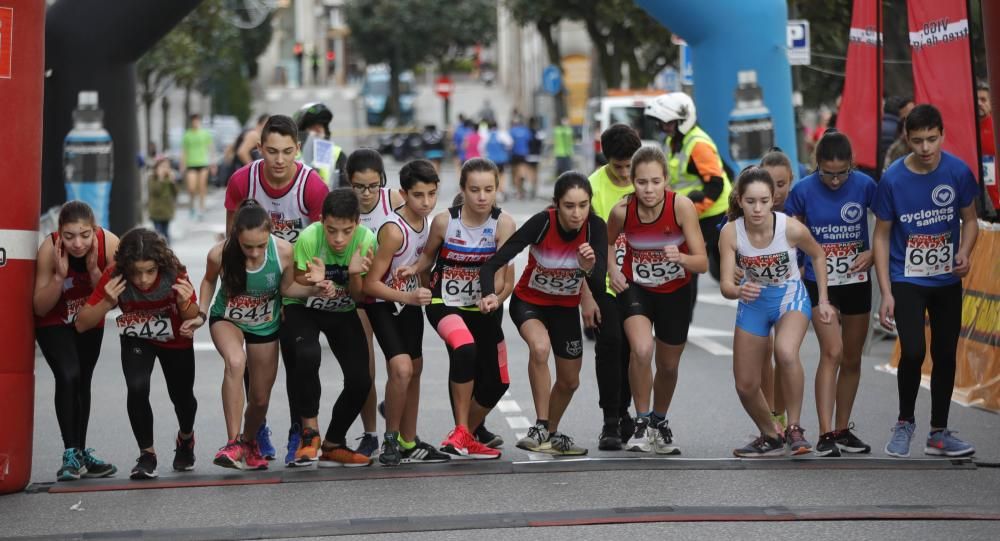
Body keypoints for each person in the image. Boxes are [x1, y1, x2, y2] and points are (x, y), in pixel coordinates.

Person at [874, 104, 980, 458]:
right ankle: (905, 422)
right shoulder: (892, 178)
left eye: (932, 139)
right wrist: (886, 291)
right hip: (907, 278)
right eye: (917, 140)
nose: (925, 148)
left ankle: (939, 432)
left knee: (945, 354)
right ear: (906, 138)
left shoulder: (958, 171)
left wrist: (964, 252)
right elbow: (882, 235)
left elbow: (971, 220)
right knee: (914, 350)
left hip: (946, 279)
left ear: (942, 135)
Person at [225, 114, 330, 465]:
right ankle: (258, 429)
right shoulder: (242, 181)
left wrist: (304, 288)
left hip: (294, 282)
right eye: (271, 151)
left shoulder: (312, 186)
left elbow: (319, 247)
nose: (280, 160)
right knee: (255, 365)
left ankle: (297, 429)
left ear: (298, 150)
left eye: (287, 152)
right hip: (254, 283)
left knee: (298, 358)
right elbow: (231, 241)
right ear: (259, 149)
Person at [479, 172, 609, 456]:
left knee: (570, 381)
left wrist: (588, 267)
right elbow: (493, 263)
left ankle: (550, 432)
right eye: (569, 206)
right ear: (556, 205)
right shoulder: (543, 222)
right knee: (540, 348)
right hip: (530, 303)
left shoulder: (595, 228)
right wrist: (489, 293)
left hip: (564, 309)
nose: (577, 213)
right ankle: (539, 425)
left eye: (583, 205)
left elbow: (600, 282)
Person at [397, 158, 516, 460]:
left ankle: (465, 435)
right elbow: (427, 259)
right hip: (445, 304)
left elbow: (505, 281)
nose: (482, 196)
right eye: (474, 189)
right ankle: (462, 429)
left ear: (497, 189)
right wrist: (415, 271)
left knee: (498, 382)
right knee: (464, 349)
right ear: (462, 190)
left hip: (485, 308)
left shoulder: (504, 224)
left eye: (489, 189)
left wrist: (495, 298)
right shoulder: (444, 222)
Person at [718, 167, 834, 457]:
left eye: (764, 201)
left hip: (789, 297)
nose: (757, 209)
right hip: (753, 301)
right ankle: (770, 433)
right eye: (750, 201)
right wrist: (738, 291)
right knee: (745, 384)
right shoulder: (731, 232)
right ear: (739, 200)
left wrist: (823, 300)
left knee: (785, 351)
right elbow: (725, 286)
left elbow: (818, 254)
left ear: (773, 201)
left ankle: (794, 427)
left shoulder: (790, 228)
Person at [75, 228, 201, 479]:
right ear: (125, 268)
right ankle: (147, 454)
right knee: (137, 386)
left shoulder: (174, 271)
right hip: (137, 336)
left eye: (150, 271)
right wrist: (107, 301)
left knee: (182, 396)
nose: (143, 280)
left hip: (174, 338)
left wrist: (185, 304)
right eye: (136, 273)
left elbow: (192, 316)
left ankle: (186, 438)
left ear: (160, 265)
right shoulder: (114, 275)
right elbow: (81, 324)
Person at [606, 146, 708, 454]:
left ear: (665, 180)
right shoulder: (622, 211)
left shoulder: (682, 207)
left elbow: (702, 262)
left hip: (675, 291)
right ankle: (641, 421)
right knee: (641, 348)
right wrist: (613, 271)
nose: (648, 189)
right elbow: (608, 243)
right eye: (641, 182)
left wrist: (682, 258)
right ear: (632, 182)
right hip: (638, 288)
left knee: (667, 364)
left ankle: (659, 422)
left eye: (654, 182)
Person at [186, 200, 299, 470]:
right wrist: (201, 313)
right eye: (248, 246)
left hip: (265, 324)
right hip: (227, 319)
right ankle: (233, 441)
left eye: (261, 245)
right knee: (236, 362)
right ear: (236, 235)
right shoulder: (220, 253)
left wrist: (318, 288)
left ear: (270, 234)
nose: (255, 253)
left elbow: (289, 289)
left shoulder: (284, 252)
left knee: (260, 399)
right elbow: (209, 279)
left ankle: (248, 443)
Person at [785, 131, 877, 457]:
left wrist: (874, 253)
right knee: (832, 351)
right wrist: (796, 267)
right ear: (817, 165)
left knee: (852, 358)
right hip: (818, 281)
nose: (835, 181)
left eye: (842, 173)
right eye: (827, 173)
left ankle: (842, 429)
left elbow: (887, 222)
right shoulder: (802, 191)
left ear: (852, 165)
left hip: (855, 279)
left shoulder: (865, 185)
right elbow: (789, 234)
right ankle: (825, 433)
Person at [363, 159, 451, 466]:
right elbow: (370, 285)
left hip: (410, 301)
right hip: (385, 304)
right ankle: (390, 439)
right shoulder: (393, 230)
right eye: (418, 195)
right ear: (404, 193)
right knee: (400, 369)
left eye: (431, 194)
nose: (426, 202)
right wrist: (408, 296)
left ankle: (409, 440)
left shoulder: (427, 223)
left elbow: (422, 263)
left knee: (414, 371)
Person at [286, 189, 378, 468]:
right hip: (304, 307)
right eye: (332, 230)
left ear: (358, 224)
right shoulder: (309, 237)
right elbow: (297, 282)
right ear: (321, 220)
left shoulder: (367, 241)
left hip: (342, 308)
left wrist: (352, 274)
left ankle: (334, 443)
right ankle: (310, 433)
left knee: (361, 380)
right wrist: (316, 284)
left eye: (346, 231)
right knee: (307, 355)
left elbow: (359, 297)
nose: (339, 239)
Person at [33, 201, 121, 481]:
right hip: (54, 321)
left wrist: (95, 271)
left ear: (94, 230)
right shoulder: (49, 249)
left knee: (83, 380)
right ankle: (70, 453)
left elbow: (115, 300)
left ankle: (80, 453)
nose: (78, 243)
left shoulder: (109, 243)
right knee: (68, 375)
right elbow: (39, 307)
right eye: (69, 236)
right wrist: (60, 277)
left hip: (88, 317)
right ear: (59, 232)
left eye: (84, 235)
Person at [645, 92, 733, 304]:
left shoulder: (697, 143)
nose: (665, 128)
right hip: (690, 211)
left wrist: (691, 213)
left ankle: (683, 312)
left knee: (690, 261)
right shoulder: (672, 141)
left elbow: (715, 185)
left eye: (669, 123)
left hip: (711, 212)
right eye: (662, 123)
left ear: (683, 120)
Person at [585, 124, 641, 451]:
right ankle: (611, 421)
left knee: (634, 348)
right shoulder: (592, 188)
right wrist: (586, 296)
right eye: (617, 167)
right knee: (610, 343)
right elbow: (585, 246)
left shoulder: (646, 181)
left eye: (628, 166)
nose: (624, 173)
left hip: (638, 280)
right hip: (601, 279)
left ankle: (626, 411)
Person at [348, 148, 401, 457]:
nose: (367, 194)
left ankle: (397, 420)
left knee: (402, 365)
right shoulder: (342, 206)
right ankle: (370, 432)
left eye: (373, 186)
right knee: (366, 364)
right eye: (359, 186)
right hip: (358, 293)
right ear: (348, 183)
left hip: (392, 293)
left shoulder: (394, 200)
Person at [293, 102, 347, 189]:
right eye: (312, 127)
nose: (317, 131)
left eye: (321, 127)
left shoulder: (337, 154)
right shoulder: (290, 154)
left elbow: (346, 188)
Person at [181, 113, 215, 219]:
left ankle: (201, 209)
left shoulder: (205, 134)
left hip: (203, 163)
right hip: (191, 164)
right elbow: (184, 151)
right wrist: (182, 164)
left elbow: (211, 149)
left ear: (199, 121)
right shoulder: (187, 135)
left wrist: (213, 164)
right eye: (194, 120)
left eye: (197, 120)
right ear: (191, 122)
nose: (195, 122)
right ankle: (192, 206)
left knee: (202, 187)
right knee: (191, 188)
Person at [148, 155, 178, 244]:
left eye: (167, 167)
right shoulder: (152, 179)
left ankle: (167, 250)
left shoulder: (168, 179)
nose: (165, 169)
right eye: (162, 167)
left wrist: (173, 182)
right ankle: (159, 250)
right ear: (156, 168)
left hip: (167, 212)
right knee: (158, 234)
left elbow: (175, 193)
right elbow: (155, 191)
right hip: (156, 212)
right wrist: (160, 179)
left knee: (166, 233)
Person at [484, 121, 512, 199]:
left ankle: (493, 192)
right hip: (501, 159)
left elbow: (482, 147)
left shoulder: (486, 135)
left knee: (492, 176)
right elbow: (510, 143)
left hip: (490, 160)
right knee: (502, 175)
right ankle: (501, 191)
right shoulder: (502, 134)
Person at [509, 114, 532, 199]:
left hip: (514, 154)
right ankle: (522, 184)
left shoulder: (512, 131)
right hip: (524, 154)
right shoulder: (526, 131)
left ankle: (518, 190)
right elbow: (529, 141)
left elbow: (509, 143)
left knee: (515, 173)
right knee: (521, 171)